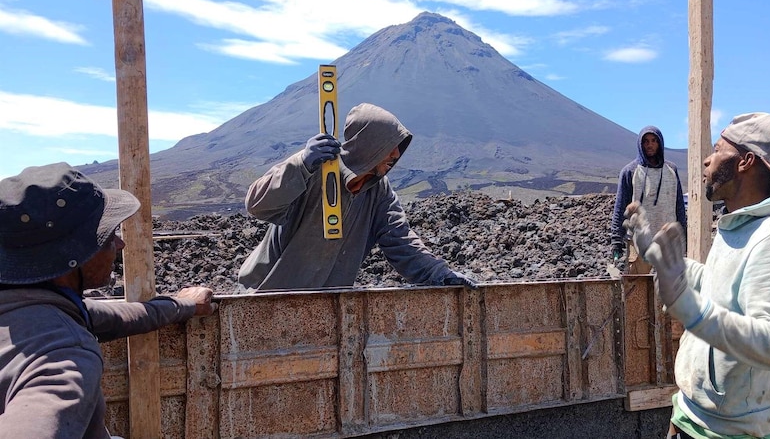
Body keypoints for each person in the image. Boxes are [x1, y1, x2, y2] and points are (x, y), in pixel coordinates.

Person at [0, 162, 217, 439]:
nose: (120, 244)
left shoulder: (32, 309)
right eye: (106, 236)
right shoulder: (63, 353)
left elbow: (111, 317)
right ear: (74, 254)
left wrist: (183, 305)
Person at [625, 112, 770, 438]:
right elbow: (717, 286)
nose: (707, 160)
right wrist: (655, 254)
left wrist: (689, 307)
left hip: (730, 432)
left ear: (746, 161)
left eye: (719, 149)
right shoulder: (740, 224)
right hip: (694, 417)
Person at [238, 102, 477, 291]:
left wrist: (440, 274)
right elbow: (258, 205)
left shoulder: (378, 191)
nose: (396, 155)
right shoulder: (314, 172)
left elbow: (400, 239)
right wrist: (300, 163)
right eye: (388, 146)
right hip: (265, 295)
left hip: (323, 306)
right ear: (368, 146)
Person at [611, 125, 687, 273]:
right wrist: (616, 240)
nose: (649, 145)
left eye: (653, 140)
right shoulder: (630, 171)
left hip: (667, 240)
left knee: (667, 291)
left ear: (660, 143)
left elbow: (678, 206)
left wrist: (684, 234)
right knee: (637, 289)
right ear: (640, 144)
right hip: (637, 241)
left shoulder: (671, 170)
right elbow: (620, 207)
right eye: (645, 141)